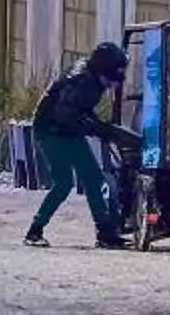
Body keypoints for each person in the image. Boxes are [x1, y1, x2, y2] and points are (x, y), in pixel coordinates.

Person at [25, 42, 128, 248]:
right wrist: (97, 129)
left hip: (62, 130)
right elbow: (67, 115)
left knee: (89, 180)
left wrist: (98, 127)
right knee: (70, 182)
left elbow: (80, 111)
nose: (112, 84)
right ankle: (36, 230)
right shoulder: (83, 81)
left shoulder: (89, 77)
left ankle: (104, 232)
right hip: (52, 132)